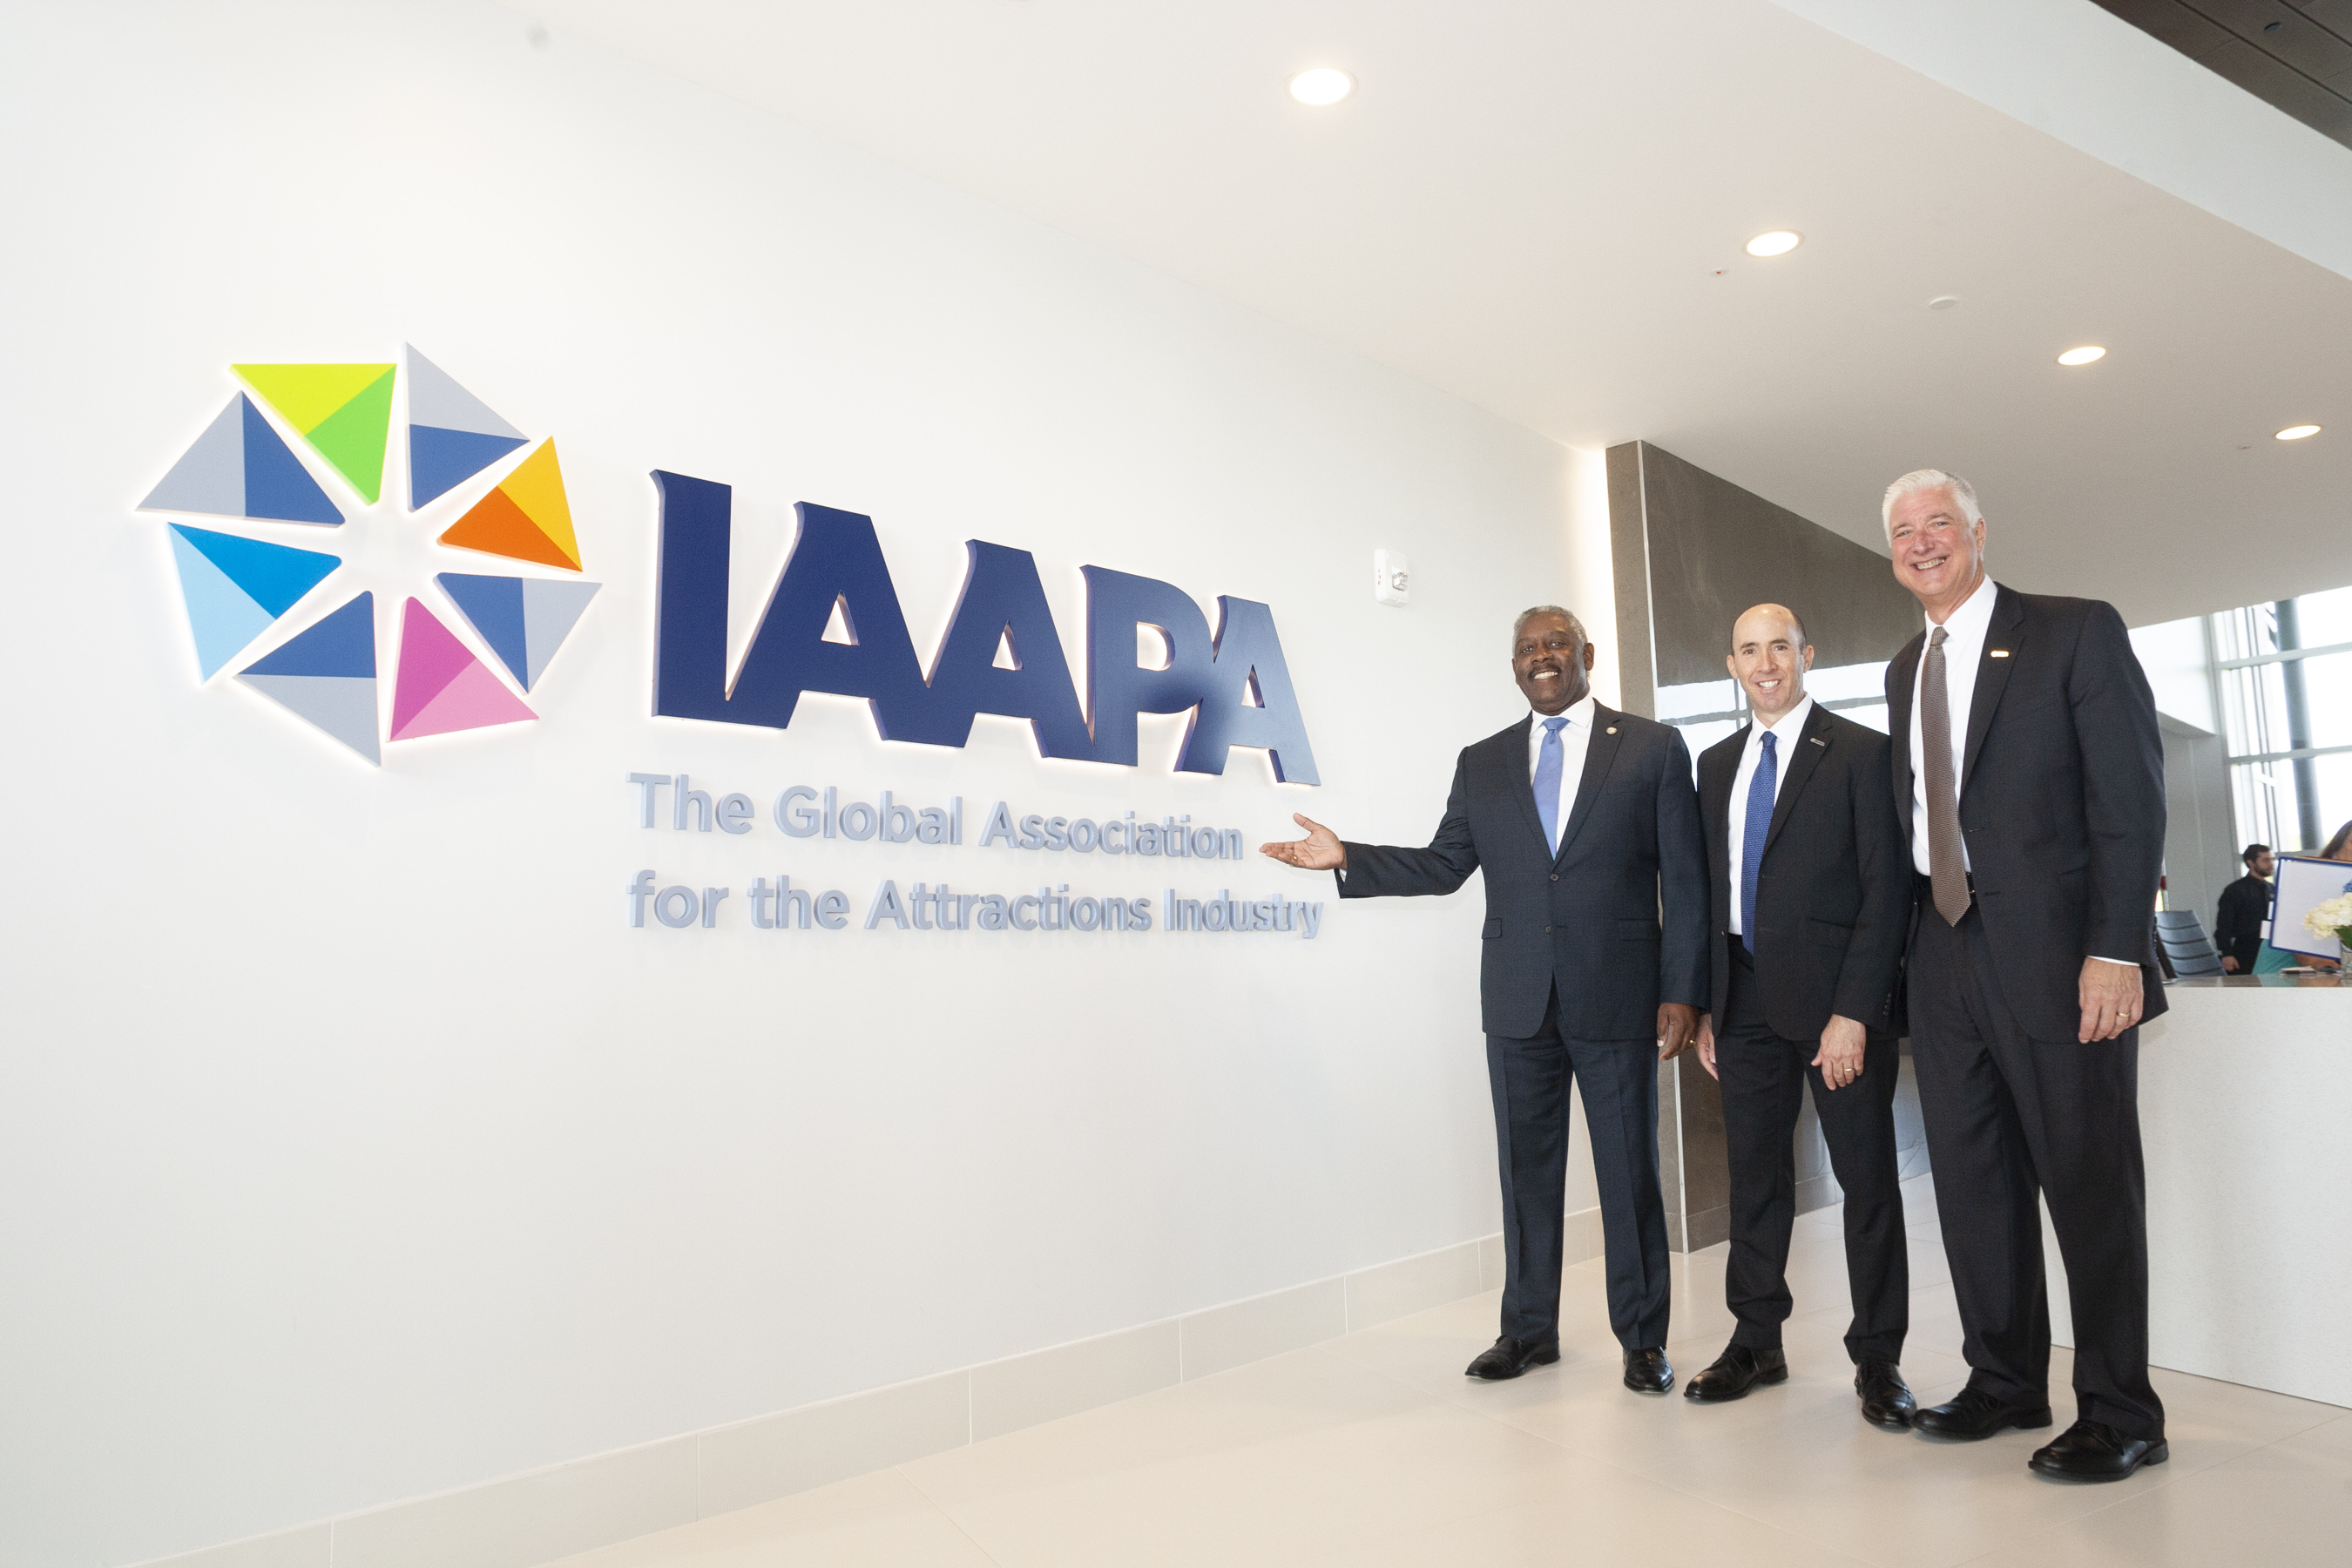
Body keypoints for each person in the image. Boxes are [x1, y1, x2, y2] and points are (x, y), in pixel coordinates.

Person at [1261, 607, 1707, 1394]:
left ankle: (1643, 1340)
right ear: (1514, 665)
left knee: (1628, 1175)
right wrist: (1348, 857)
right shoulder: (1484, 761)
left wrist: (1684, 991)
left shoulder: (1651, 747)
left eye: (1555, 644)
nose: (1542, 657)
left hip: (1619, 996)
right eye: (1528, 648)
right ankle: (1529, 1331)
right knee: (1524, 1175)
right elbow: (1444, 864)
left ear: (1586, 655)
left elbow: (1686, 881)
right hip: (1517, 1003)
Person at [1880, 469, 2170, 1482]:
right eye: (1905, 532)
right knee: (1972, 1183)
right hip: (1944, 950)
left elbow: (2129, 802)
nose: (1923, 543)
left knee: (2087, 1184)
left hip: (2060, 957)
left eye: (1939, 525)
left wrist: (2115, 948)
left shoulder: (2073, 630)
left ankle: (2123, 1411)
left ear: (1978, 532)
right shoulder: (1901, 666)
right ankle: (2004, 1379)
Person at [1686, 605, 1916, 1428]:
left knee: (1866, 1183)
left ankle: (1879, 1357)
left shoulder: (1860, 753)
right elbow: (1706, 893)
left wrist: (1855, 1011)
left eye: (1778, 646)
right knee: (1755, 1180)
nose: (1765, 663)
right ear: (1733, 663)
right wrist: (1710, 1003)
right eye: (1748, 650)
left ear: (1806, 654)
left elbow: (1888, 891)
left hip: (1834, 1013)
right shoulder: (1713, 764)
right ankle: (1757, 1340)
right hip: (1741, 1002)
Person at [2213, 845, 2274, 974]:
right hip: (2245, 951)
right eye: (2265, 860)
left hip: (2268, 950)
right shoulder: (2235, 890)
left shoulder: (2272, 889)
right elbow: (2224, 924)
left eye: (2272, 860)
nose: (2271, 864)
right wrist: (2227, 954)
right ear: (2250, 862)